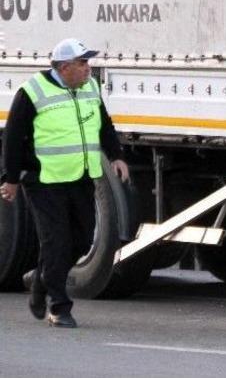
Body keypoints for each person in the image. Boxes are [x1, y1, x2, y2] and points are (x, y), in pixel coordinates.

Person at [0, 38, 129, 328]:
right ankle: (59, 307)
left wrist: (116, 156)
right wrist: (11, 179)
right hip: (44, 180)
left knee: (82, 240)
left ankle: (42, 282)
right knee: (56, 242)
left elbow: (104, 124)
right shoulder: (33, 91)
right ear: (65, 66)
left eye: (88, 63)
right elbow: (12, 136)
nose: (88, 69)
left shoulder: (90, 88)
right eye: (83, 63)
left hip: (81, 176)